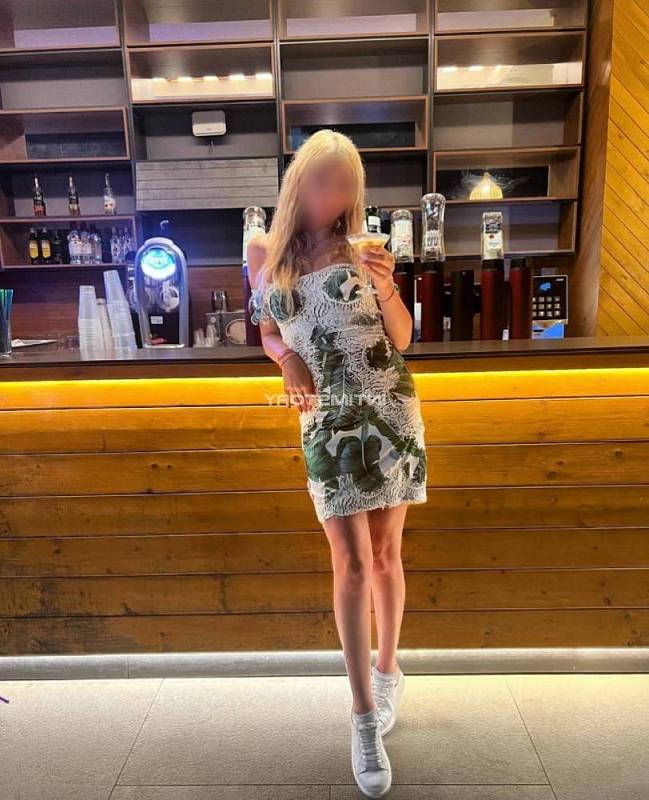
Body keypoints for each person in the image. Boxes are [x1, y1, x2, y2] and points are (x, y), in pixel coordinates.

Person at [247, 129, 427, 799]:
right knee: (349, 562)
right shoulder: (266, 251)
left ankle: (388, 670)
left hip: (388, 409)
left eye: (347, 184)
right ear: (299, 183)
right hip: (326, 420)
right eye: (324, 180)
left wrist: (386, 288)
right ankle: (362, 717)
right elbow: (268, 329)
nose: (336, 194)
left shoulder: (363, 248)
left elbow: (402, 340)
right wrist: (287, 358)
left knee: (383, 555)